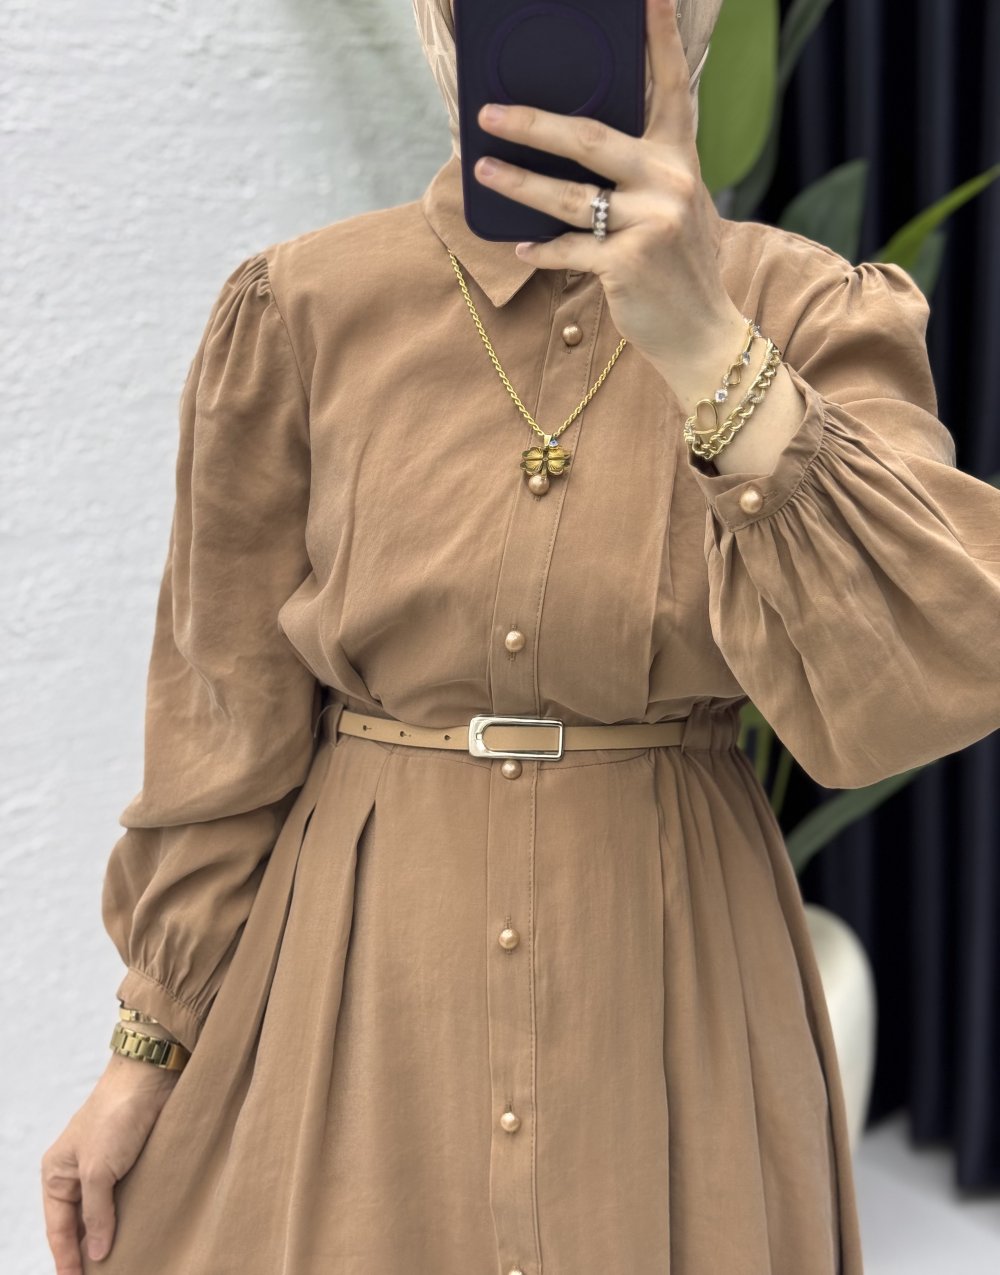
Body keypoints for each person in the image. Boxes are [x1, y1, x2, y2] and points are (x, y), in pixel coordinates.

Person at [41, 0, 1000, 1271]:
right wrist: (144, 1054)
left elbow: (933, 666)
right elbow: (225, 732)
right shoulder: (303, 310)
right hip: (361, 992)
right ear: (439, 18)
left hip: (669, 988)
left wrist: (708, 347)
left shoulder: (810, 309)